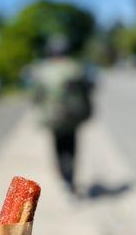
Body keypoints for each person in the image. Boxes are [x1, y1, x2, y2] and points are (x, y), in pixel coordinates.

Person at [31, 35, 95, 194]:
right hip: (73, 116)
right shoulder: (75, 67)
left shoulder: (43, 70)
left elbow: (36, 97)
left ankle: (65, 179)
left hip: (53, 117)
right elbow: (88, 88)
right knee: (72, 147)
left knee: (59, 148)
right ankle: (70, 178)